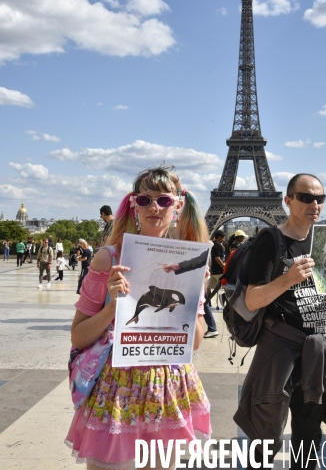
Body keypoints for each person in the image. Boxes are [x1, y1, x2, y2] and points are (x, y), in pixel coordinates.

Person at [66, 166, 211, 470]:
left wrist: (196, 292)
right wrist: (112, 307)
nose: (154, 208)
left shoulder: (190, 263)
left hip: (165, 387)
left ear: (179, 205)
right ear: (134, 205)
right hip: (116, 388)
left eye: (164, 200)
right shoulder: (109, 258)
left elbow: (195, 342)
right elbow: (78, 336)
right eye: (145, 200)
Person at [234, 173, 326, 469]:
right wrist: (288, 279)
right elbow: (251, 300)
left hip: (315, 347)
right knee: (267, 427)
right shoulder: (270, 241)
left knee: (310, 430)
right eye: (306, 197)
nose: (314, 203)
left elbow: (320, 301)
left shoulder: (324, 242)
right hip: (280, 348)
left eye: (320, 198)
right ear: (287, 201)